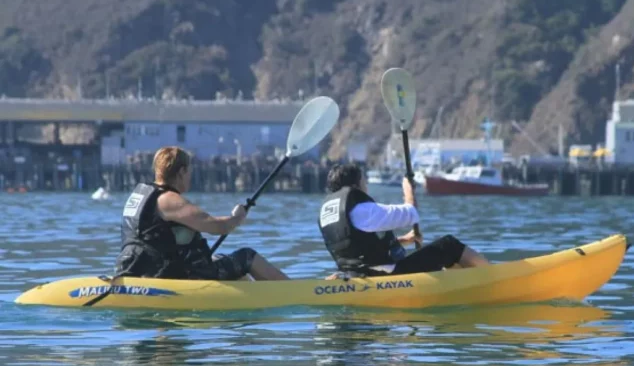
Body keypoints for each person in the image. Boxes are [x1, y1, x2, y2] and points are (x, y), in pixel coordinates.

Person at [114, 146, 289, 281]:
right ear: (181, 171)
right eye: (189, 171)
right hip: (171, 276)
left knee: (217, 258)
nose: (190, 176)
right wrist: (237, 218)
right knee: (247, 256)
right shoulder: (169, 200)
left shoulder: (140, 196)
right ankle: (295, 292)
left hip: (140, 270)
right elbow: (217, 226)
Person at [317, 163, 489, 277]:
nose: (366, 186)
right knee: (449, 245)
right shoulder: (362, 210)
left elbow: (358, 248)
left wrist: (404, 240)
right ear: (355, 185)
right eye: (364, 181)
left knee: (440, 254)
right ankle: (493, 276)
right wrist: (408, 190)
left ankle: (464, 284)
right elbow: (410, 213)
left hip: (357, 277)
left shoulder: (329, 211)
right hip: (387, 279)